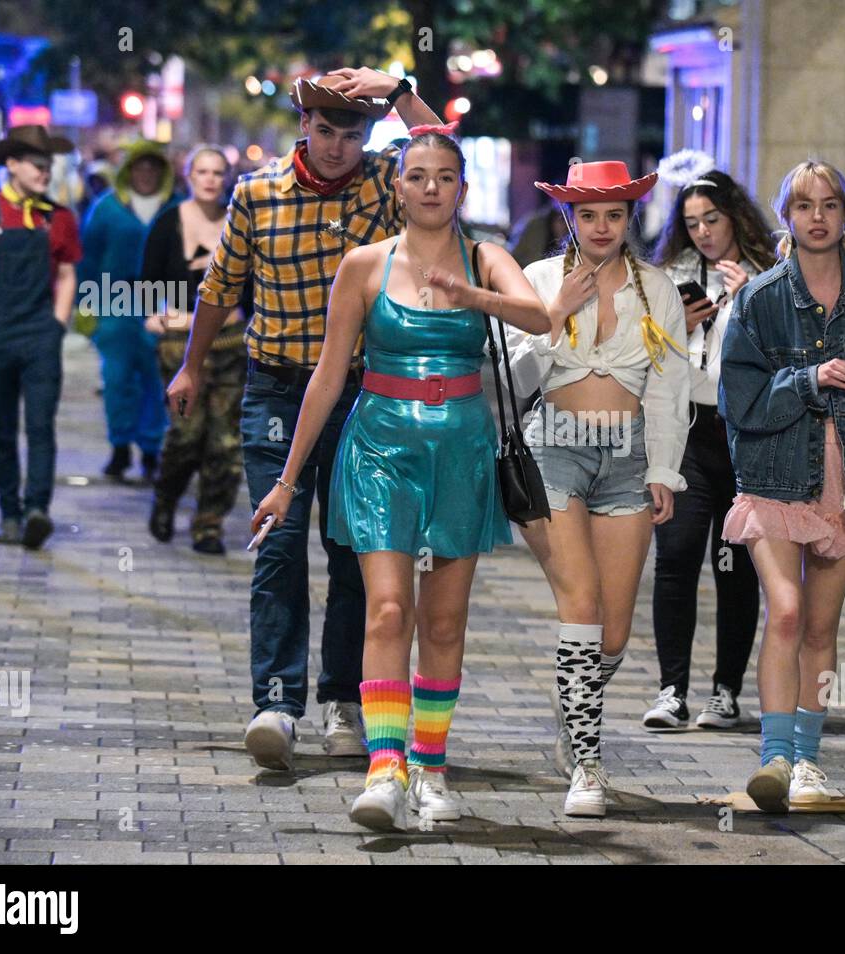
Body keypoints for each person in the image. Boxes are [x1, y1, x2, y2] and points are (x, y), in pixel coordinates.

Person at [251, 123, 550, 831]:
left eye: (444, 176)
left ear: (461, 187)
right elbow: (327, 378)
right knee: (388, 609)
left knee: (445, 619)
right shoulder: (364, 264)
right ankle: (385, 769)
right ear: (397, 186)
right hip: (381, 443)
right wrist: (288, 481)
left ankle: (432, 766)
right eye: (416, 176)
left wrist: (474, 296)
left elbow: (543, 319)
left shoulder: (486, 256)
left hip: (463, 449)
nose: (430, 188)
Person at [167, 70, 443, 772]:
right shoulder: (257, 193)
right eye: (326, 132)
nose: (338, 148)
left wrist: (399, 85)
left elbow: (439, 148)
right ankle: (277, 702)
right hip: (276, 392)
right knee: (280, 540)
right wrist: (192, 366)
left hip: (365, 394)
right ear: (304, 128)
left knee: (353, 546)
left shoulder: (386, 183)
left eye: (353, 135)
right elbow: (220, 286)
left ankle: (343, 700)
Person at [718, 159, 845, 813]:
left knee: (820, 626)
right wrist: (809, 380)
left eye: (830, 204)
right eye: (804, 205)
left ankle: (807, 763)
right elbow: (739, 402)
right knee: (783, 611)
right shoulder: (762, 299)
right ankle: (774, 759)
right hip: (777, 472)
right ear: (786, 217)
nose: (817, 216)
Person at [509, 161, 689, 817]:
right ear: (569, 219)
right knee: (580, 603)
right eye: (589, 214)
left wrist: (664, 469)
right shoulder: (537, 281)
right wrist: (553, 317)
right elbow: (512, 372)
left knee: (612, 633)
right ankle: (587, 765)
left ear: (629, 218)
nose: (603, 226)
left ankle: (571, 705)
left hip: (628, 457)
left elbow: (670, 387)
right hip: (551, 445)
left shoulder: (658, 289)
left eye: (614, 214)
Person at [643, 162, 777, 730]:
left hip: (745, 433)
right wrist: (683, 327)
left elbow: (785, 356)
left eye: (712, 219)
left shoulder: (770, 275)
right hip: (689, 430)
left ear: (734, 217)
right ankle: (671, 690)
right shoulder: (668, 275)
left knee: (735, 564)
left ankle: (725, 691)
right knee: (675, 557)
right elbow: (647, 357)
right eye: (692, 221)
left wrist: (749, 303)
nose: (702, 231)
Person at [0, 125, 81, 549]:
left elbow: (67, 272)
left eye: (49, 165)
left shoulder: (58, 218)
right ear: (12, 165)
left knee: (41, 426)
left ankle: (37, 509)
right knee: (3, 428)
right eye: (38, 165)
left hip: (41, 335)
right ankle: (8, 513)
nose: (46, 172)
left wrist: (58, 323)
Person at [142, 145, 249, 555]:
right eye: (202, 171)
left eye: (218, 172)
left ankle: (209, 524)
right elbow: (145, 284)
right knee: (186, 435)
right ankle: (165, 498)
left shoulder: (238, 222)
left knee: (224, 441)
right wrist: (159, 316)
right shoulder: (168, 221)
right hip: (178, 347)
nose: (210, 179)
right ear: (189, 175)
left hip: (229, 346)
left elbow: (252, 289)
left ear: (227, 177)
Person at [78, 140, 181, 483]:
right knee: (118, 379)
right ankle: (120, 447)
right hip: (114, 300)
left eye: (154, 166)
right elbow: (88, 258)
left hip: (164, 300)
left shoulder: (177, 207)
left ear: (162, 171)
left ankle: (151, 450)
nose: (147, 173)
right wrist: (86, 304)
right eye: (141, 166)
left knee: (156, 379)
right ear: (128, 170)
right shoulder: (106, 208)